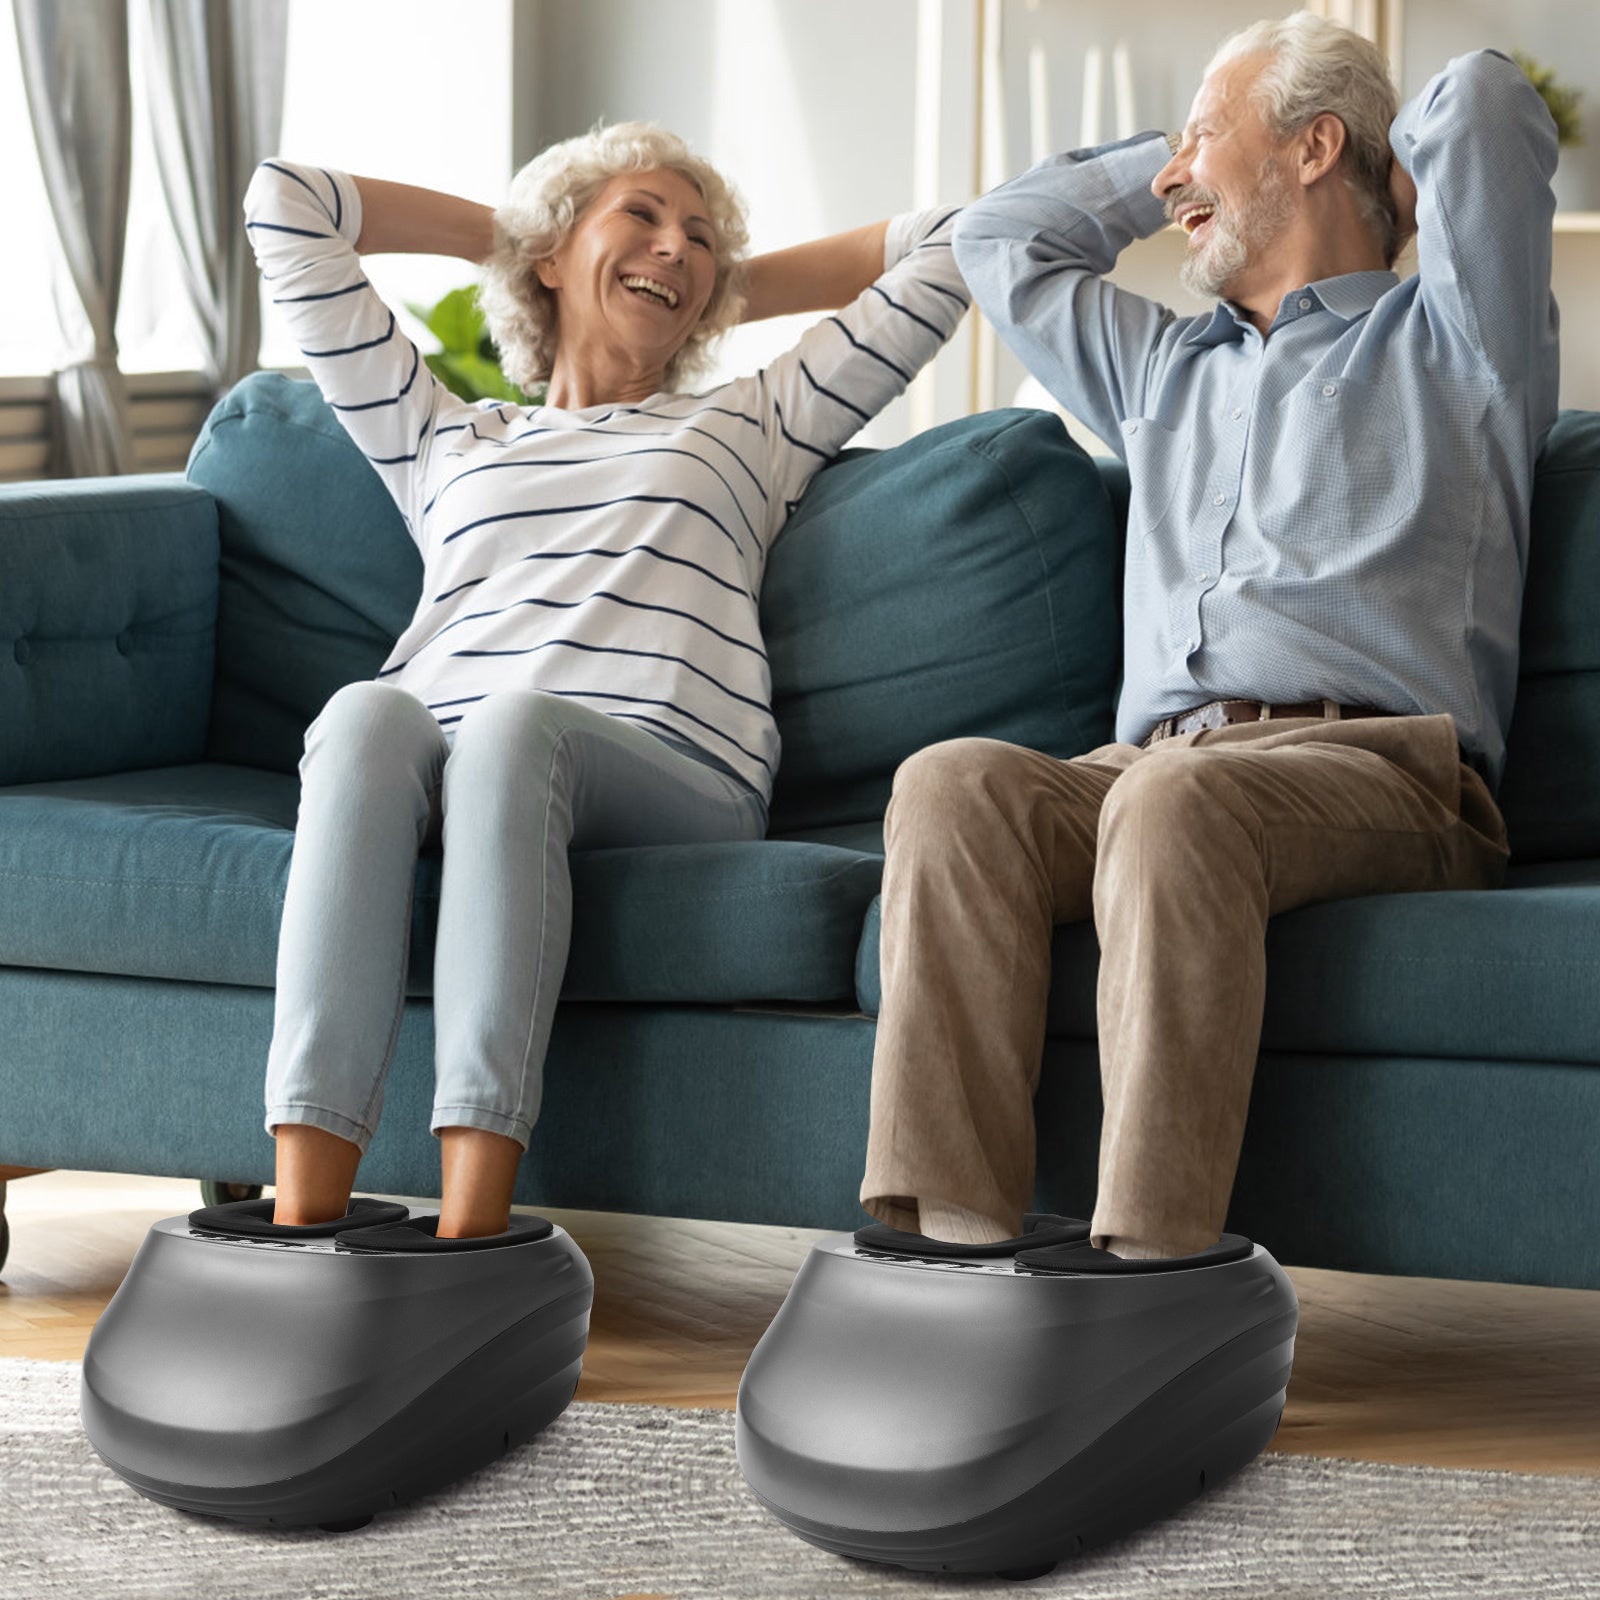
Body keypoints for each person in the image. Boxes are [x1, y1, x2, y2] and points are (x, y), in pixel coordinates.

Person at [858, 12, 1559, 1258]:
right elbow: (997, 238)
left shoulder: (1455, 340)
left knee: (1171, 806)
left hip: (1383, 769)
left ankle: (1152, 1264)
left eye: (1205, 139)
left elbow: (1491, 107)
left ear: (1314, 145)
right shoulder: (1161, 369)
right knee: (952, 785)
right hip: (1151, 767)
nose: (1174, 179)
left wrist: (1383, 157)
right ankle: (950, 1255)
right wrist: (1177, 158)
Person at [241, 122, 967, 1241]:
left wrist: (713, 283)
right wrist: (513, 233)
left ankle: (471, 1234)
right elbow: (288, 203)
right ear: (548, 255)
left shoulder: (753, 422)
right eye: (642, 214)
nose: (676, 246)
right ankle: (300, 1224)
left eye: (700, 235)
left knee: (512, 731)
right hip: (451, 757)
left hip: (669, 766)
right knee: (362, 715)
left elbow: (960, 244)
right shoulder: (442, 436)